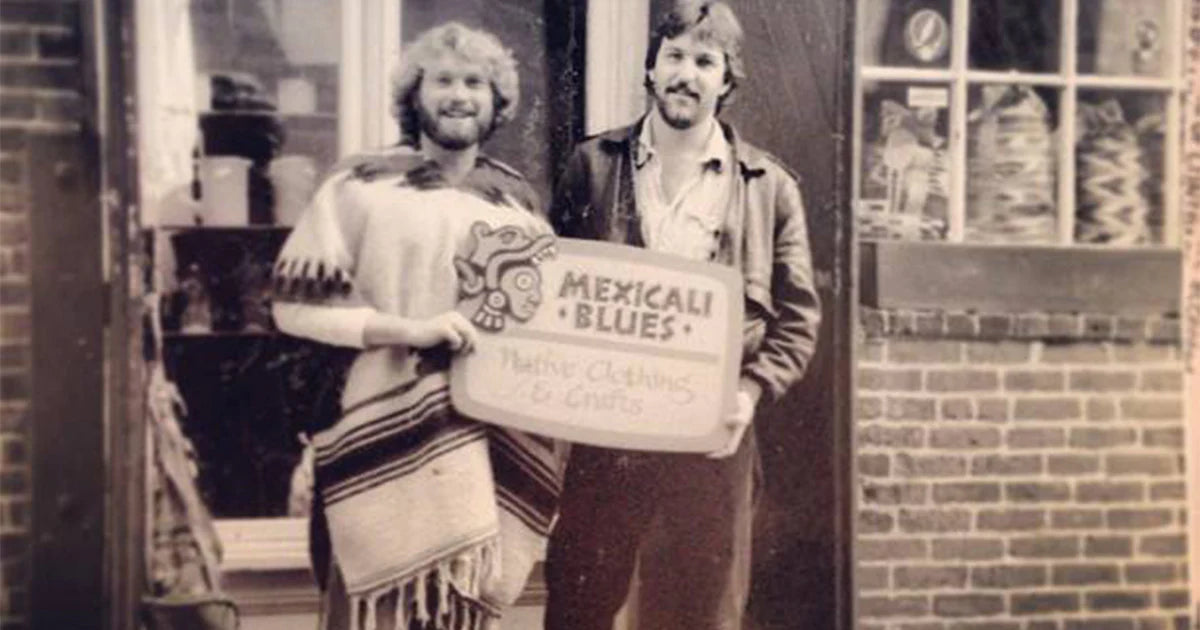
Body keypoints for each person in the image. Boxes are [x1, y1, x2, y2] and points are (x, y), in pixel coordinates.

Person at [271, 22, 562, 630]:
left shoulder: (517, 205)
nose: (460, 95)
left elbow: (545, 327)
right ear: (415, 95)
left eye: (476, 83)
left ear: (496, 100)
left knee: (459, 611)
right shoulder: (359, 187)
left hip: (481, 446)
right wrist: (406, 329)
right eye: (445, 80)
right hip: (375, 436)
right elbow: (293, 309)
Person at [543, 1, 822, 628]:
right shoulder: (591, 168)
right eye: (673, 56)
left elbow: (798, 320)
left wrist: (750, 392)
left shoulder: (769, 188)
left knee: (694, 609)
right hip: (607, 432)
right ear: (651, 68)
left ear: (727, 79)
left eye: (705, 60)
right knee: (578, 604)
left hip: (711, 438)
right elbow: (550, 296)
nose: (686, 74)